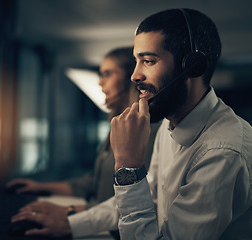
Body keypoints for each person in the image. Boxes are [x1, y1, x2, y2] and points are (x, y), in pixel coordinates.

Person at [109, 8, 252, 239]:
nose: (135, 76)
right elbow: (150, 200)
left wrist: (128, 166)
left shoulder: (222, 152)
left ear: (192, 67)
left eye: (148, 61)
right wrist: (71, 222)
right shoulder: (167, 130)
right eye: (136, 61)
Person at [9, 47, 161, 238]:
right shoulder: (117, 126)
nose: (100, 82)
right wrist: (40, 187)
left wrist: (69, 212)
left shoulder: (149, 130)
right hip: (99, 226)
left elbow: (137, 198)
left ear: (130, 77)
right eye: (100, 74)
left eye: (107, 73)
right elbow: (92, 182)